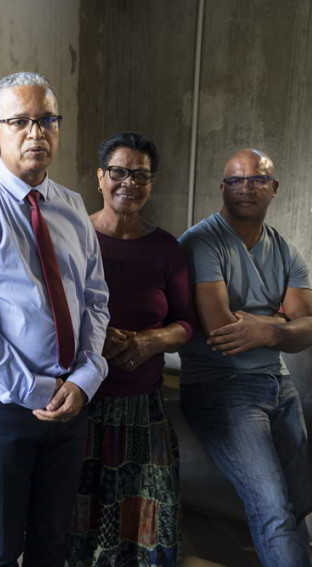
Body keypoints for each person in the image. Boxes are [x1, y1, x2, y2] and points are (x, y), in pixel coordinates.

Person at [0, 71, 110, 566]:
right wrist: (34, 389)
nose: (36, 133)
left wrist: (86, 376)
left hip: (71, 401)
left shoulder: (74, 207)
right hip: (2, 405)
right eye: (21, 122)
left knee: (54, 542)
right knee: (0, 547)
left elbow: (95, 299)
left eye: (46, 120)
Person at [178, 148, 312, 567]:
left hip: (280, 385)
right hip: (221, 387)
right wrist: (282, 326)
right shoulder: (202, 241)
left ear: (274, 188)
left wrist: (262, 328)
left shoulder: (285, 250)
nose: (246, 188)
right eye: (236, 180)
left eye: (257, 179)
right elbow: (223, 332)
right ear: (222, 187)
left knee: (300, 501)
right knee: (273, 507)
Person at [66, 132, 198, 567]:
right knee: (76, 520)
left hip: (144, 409)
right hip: (82, 405)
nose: (129, 183)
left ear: (151, 183)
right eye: (119, 172)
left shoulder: (166, 249)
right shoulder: (73, 237)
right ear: (100, 177)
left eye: (140, 175)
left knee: (149, 519)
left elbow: (186, 324)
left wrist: (149, 341)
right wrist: (94, 337)